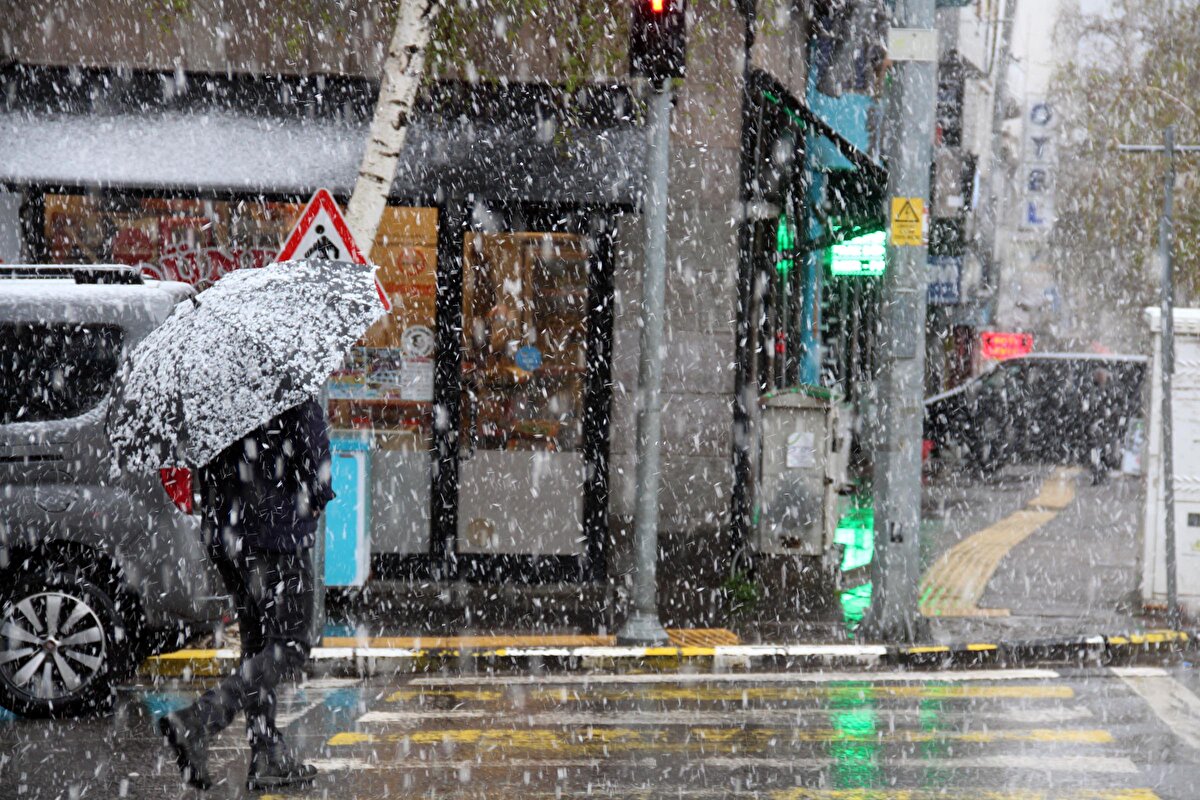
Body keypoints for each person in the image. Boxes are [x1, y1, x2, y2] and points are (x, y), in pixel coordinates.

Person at [159, 396, 334, 791]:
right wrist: (316, 498)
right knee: (290, 644)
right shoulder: (286, 386)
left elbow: (201, 457)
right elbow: (315, 459)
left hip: (226, 532)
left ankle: (266, 751)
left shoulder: (218, 389)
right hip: (275, 532)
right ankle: (199, 720)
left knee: (258, 644)